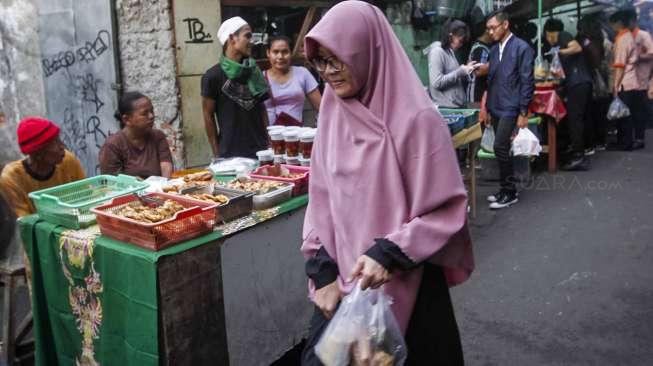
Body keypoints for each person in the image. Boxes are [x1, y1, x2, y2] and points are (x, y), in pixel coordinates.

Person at [299, 2, 474, 365]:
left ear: (366, 51)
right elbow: (320, 201)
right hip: (344, 283)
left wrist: (387, 253)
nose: (328, 73)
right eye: (321, 61)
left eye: (337, 60)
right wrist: (323, 271)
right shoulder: (332, 113)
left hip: (405, 278)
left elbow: (448, 209)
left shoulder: (417, 121)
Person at [484, 10, 535, 209]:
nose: (490, 32)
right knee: (502, 149)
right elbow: (491, 80)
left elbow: (527, 81)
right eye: (488, 28)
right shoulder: (494, 50)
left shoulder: (522, 48)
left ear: (505, 25)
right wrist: (487, 108)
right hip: (496, 105)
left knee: (499, 147)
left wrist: (524, 111)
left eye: (492, 27)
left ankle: (510, 192)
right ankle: (505, 189)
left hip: (511, 107)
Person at [201, 17, 269, 159]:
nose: (252, 41)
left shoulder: (254, 71)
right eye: (247, 36)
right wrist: (217, 154)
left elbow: (262, 109)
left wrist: (269, 142)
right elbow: (208, 116)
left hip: (260, 150)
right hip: (229, 153)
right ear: (232, 38)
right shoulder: (212, 76)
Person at [0, 117, 85, 218]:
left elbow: (85, 197)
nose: (62, 146)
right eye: (55, 142)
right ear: (38, 153)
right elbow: (24, 222)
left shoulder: (68, 160)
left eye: (59, 140)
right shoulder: (11, 179)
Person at [543, 18, 593, 171]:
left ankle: (579, 157)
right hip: (579, 83)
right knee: (576, 118)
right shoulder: (561, 40)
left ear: (549, 33)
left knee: (575, 119)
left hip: (578, 83)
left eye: (546, 36)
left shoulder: (562, 35)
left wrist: (557, 51)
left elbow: (576, 48)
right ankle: (577, 149)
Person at [99, 92, 173, 178]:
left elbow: (166, 167)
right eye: (144, 114)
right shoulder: (113, 145)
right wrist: (138, 185)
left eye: (152, 111)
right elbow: (112, 182)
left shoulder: (158, 136)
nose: (151, 116)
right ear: (126, 119)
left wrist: (163, 186)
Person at [264, 35, 321, 126]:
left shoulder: (302, 73)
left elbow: (320, 107)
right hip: (268, 135)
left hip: (296, 135)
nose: (280, 56)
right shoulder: (260, 78)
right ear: (268, 53)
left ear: (291, 53)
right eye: (275, 52)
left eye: (285, 52)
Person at [607, 11, 644, 151]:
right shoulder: (627, 36)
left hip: (625, 82)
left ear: (618, 23)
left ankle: (625, 143)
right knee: (626, 113)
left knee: (623, 115)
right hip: (632, 80)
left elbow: (620, 65)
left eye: (612, 23)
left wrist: (616, 86)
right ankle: (625, 141)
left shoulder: (623, 39)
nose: (611, 26)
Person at [426, 19, 478, 108]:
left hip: (454, 106)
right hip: (446, 107)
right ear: (451, 36)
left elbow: (453, 75)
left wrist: (467, 69)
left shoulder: (449, 52)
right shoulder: (437, 52)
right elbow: (436, 82)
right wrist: (460, 72)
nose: (461, 45)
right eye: (460, 41)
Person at [577, 15, 610, 152]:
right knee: (599, 111)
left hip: (591, 77)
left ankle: (591, 143)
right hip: (599, 75)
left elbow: (594, 54)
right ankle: (601, 140)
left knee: (589, 112)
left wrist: (592, 66)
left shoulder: (585, 40)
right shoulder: (600, 37)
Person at [625, 7, 653, 149]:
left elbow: (652, 53)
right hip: (630, 79)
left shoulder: (644, 35)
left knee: (639, 110)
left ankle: (640, 138)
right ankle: (632, 138)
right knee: (632, 109)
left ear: (634, 21)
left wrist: (638, 57)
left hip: (642, 77)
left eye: (628, 21)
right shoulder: (626, 36)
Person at [467, 25, 492, 104]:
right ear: (486, 31)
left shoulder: (481, 47)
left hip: (480, 94)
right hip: (477, 95)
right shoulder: (480, 49)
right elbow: (479, 71)